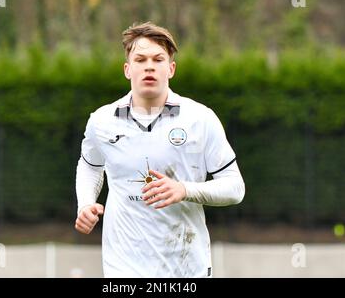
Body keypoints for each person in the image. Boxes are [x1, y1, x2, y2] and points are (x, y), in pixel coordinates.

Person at [74, 22, 245, 277]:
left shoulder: (201, 119)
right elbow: (90, 166)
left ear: (171, 69)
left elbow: (235, 187)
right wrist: (86, 203)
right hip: (124, 269)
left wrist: (185, 189)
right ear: (127, 69)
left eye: (158, 59)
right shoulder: (102, 121)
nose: (149, 66)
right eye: (140, 59)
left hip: (186, 268)